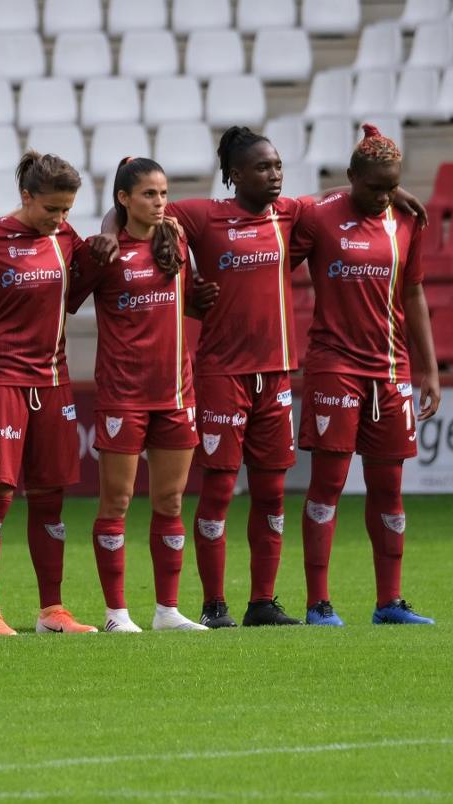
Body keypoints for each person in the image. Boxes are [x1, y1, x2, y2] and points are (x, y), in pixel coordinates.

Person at [91, 127, 426, 628]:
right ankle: (214, 604)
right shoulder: (201, 215)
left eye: (278, 167)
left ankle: (263, 603)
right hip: (222, 371)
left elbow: (351, 195)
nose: (275, 175)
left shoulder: (292, 213)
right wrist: (103, 230)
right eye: (263, 168)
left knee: (271, 493)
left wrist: (391, 190)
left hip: (276, 376)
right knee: (221, 490)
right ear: (235, 174)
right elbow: (138, 209)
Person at [292, 124, 439, 626]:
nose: (382, 196)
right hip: (335, 365)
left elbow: (414, 294)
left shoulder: (405, 220)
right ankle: (318, 603)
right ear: (352, 177)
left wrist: (429, 369)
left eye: (391, 185)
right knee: (328, 484)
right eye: (374, 186)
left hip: (391, 368)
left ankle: (389, 603)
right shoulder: (320, 216)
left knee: (388, 489)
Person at [0, 150, 97, 636]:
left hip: (52, 379)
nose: (59, 219)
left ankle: (52, 611)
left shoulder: (65, 239)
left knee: (50, 495)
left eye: (66, 210)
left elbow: (78, 292)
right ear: (26, 196)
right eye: (51, 209)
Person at [68, 158, 207, 633]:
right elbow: (67, 301)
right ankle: (116, 613)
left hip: (175, 393)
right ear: (124, 199)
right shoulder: (105, 251)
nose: (160, 202)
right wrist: (98, 243)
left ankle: (167, 611)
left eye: (164, 193)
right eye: (149, 194)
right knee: (117, 504)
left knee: (170, 503)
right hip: (122, 395)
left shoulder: (177, 239)